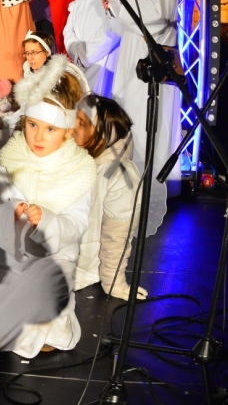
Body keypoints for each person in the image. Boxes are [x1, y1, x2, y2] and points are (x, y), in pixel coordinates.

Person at [0, 57, 95, 358]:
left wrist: (46, 221)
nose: (37, 136)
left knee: (44, 318)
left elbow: (76, 224)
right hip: (8, 254)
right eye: (33, 124)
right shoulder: (10, 157)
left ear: (67, 131)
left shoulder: (79, 170)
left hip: (52, 256)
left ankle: (52, 322)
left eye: (50, 129)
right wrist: (5, 214)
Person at [106, 0, 182, 194]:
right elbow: (132, 22)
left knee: (148, 122)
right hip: (134, 57)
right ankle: (136, 184)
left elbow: (158, 16)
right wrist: (115, 8)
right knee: (133, 118)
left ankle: (152, 188)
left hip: (150, 63)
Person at [73, 94, 159, 300]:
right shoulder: (76, 158)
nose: (72, 127)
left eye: (82, 123)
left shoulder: (119, 175)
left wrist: (114, 283)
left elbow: (117, 235)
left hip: (79, 270)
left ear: (103, 135)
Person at [63, 0, 122, 97]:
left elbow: (116, 29)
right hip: (80, 61)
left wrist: (87, 54)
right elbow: (68, 29)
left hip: (104, 60)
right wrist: (75, 50)